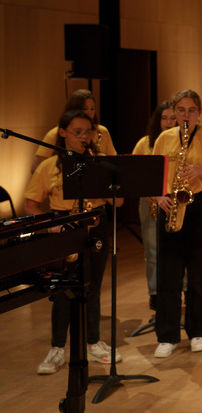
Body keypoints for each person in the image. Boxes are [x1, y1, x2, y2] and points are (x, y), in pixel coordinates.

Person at [25, 110, 122, 374]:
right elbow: (31, 203)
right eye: (77, 132)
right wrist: (52, 225)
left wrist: (106, 185)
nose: (83, 136)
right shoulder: (49, 166)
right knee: (62, 291)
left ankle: (93, 341)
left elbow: (121, 201)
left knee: (93, 287)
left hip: (96, 226)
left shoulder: (101, 163)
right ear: (63, 133)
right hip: (65, 230)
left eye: (87, 132)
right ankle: (58, 348)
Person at [151, 90, 202, 358]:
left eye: (191, 110)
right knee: (168, 274)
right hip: (170, 204)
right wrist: (158, 196)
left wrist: (201, 171)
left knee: (198, 271)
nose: (186, 116)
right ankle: (167, 335)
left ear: (200, 112)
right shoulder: (164, 138)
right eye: (181, 111)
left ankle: (198, 332)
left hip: (201, 205)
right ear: (174, 112)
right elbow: (151, 177)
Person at [132, 100, 177, 311]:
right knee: (152, 250)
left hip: (176, 198)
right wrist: (151, 195)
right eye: (164, 118)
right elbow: (135, 172)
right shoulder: (144, 143)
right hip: (150, 200)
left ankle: (181, 289)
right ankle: (155, 293)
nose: (169, 123)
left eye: (173, 118)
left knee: (178, 248)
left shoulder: (181, 141)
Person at [30, 89, 117, 174]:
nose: (89, 113)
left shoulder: (102, 131)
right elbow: (36, 168)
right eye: (84, 108)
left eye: (92, 109)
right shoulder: (54, 134)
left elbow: (115, 163)